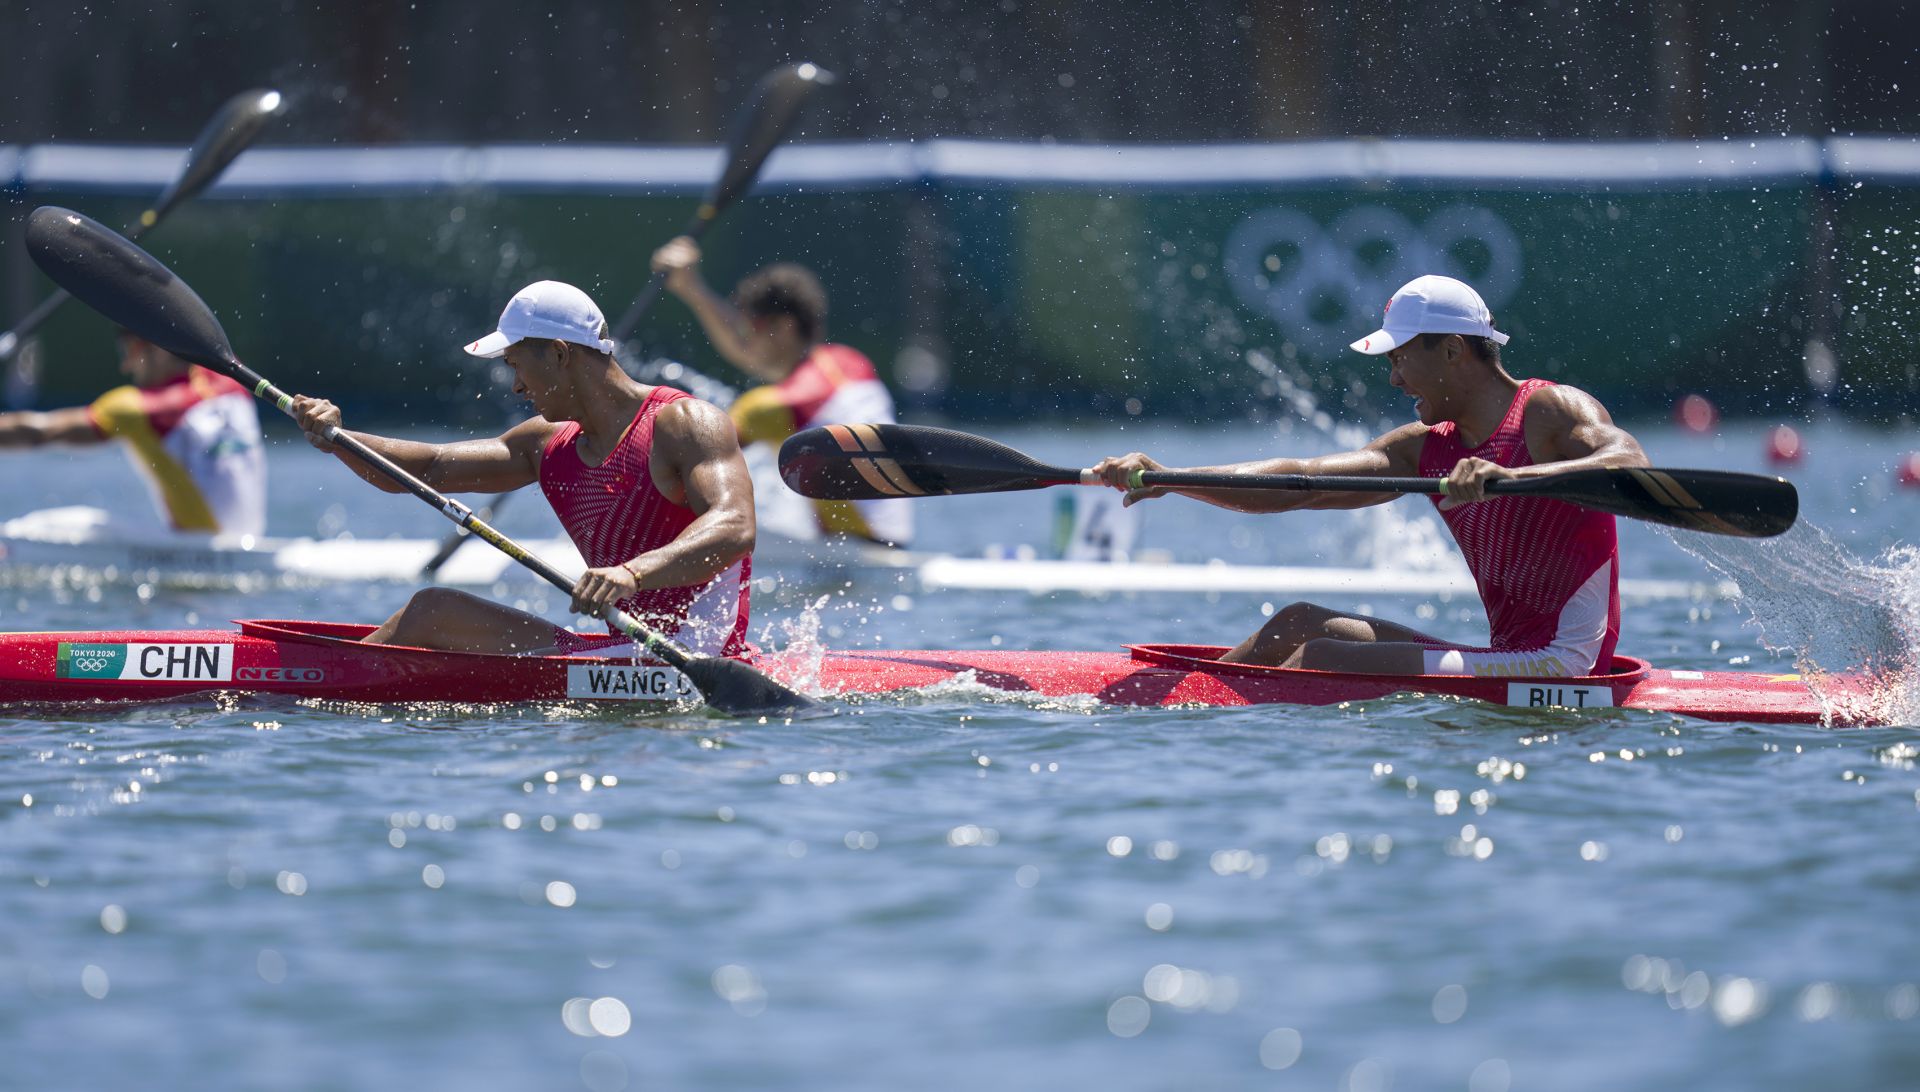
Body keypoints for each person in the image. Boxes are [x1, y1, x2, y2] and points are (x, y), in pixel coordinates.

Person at [1093, 274, 1649, 678]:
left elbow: (1630, 460)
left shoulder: (1549, 412)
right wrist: (1173, 477)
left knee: (1324, 658)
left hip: (1564, 665)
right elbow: (1300, 481)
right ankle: (1189, 711)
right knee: (1298, 625)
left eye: (1400, 359)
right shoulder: (1424, 450)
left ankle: (1220, 730)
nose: (1394, 379)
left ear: (1453, 350)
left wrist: (1513, 476)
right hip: (1507, 656)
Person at [290, 280, 755, 656]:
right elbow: (429, 468)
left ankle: (315, 689)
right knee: (435, 610)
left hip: (695, 652)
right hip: (618, 650)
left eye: (516, 364)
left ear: (558, 354)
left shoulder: (684, 423)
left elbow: (734, 526)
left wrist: (632, 574)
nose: (515, 386)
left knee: (430, 612)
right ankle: (330, 674)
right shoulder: (546, 443)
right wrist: (338, 438)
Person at [651, 237, 912, 546]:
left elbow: (679, 465)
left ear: (785, 327)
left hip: (853, 554)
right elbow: (746, 352)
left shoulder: (771, 407)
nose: (744, 339)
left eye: (752, 328)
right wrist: (691, 289)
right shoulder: (851, 363)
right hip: (891, 542)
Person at [0, 330, 266, 537]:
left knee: (55, 526)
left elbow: (40, 432)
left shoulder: (139, 409)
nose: (126, 366)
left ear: (159, 351)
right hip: (250, 541)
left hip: (198, 549)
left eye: (130, 351)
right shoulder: (232, 377)